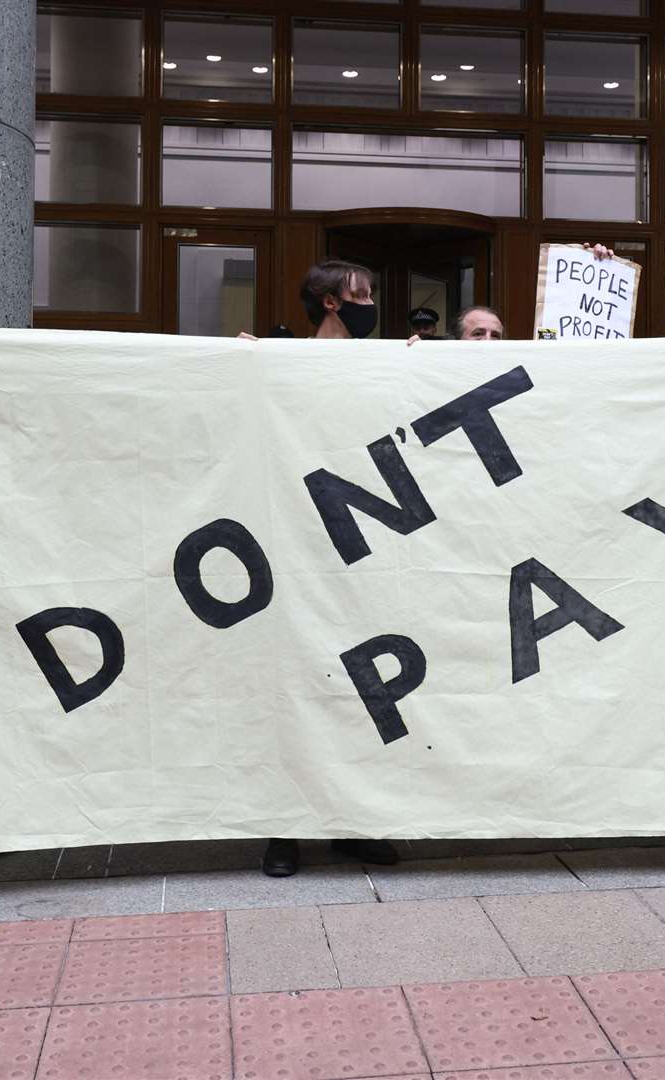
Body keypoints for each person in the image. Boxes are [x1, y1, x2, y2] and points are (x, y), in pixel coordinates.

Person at [262, 261, 399, 877]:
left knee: (359, 689)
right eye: (361, 294)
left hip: (360, 546)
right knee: (294, 687)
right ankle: (285, 831)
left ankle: (350, 821)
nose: (370, 302)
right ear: (330, 302)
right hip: (295, 543)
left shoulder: (390, 358)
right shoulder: (280, 355)